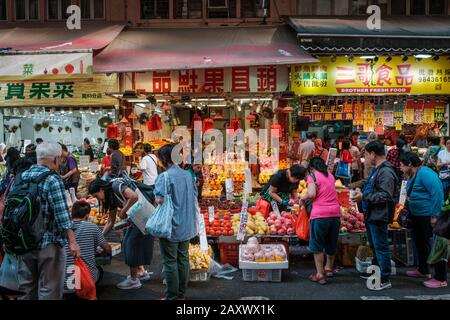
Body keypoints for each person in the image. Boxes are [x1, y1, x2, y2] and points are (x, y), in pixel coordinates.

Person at [14, 142, 80, 299]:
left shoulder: (20, 178)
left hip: (22, 243)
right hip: (48, 243)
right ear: (56, 159)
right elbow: (62, 215)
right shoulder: (53, 180)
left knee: (26, 289)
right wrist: (72, 241)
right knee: (49, 289)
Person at [89, 177, 153, 290]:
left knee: (130, 244)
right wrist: (99, 238)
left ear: (101, 189)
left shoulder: (115, 186)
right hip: (136, 217)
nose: (97, 199)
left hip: (141, 216)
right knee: (129, 243)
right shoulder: (111, 198)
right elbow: (110, 222)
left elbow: (134, 196)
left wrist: (123, 211)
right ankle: (141, 272)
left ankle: (134, 280)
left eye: (96, 196)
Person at [351, 141, 398, 291]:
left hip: (379, 214)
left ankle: (384, 278)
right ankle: (376, 271)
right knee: (375, 245)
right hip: (372, 213)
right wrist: (357, 187)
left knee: (381, 246)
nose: (366, 157)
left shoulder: (386, 172)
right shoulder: (377, 169)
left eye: (366, 154)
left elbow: (385, 195)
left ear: (373, 154)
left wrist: (364, 196)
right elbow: (368, 182)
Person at [153, 144, 198, 300]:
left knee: (170, 261)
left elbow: (159, 200)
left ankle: (172, 297)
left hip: (170, 225)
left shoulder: (164, 177)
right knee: (183, 258)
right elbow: (194, 196)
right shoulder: (188, 175)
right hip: (187, 224)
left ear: (165, 159)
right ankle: (181, 295)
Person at [399, 152, 445, 287]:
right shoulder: (414, 174)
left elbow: (437, 193)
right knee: (420, 243)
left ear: (410, 164)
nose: (400, 167)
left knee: (434, 245)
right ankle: (423, 269)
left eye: (402, 164)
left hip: (428, 216)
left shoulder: (426, 173)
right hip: (417, 215)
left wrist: (435, 215)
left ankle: (440, 278)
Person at [300, 157, 341, 285]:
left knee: (317, 245)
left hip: (320, 215)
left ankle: (320, 274)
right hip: (335, 213)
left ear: (312, 167)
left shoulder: (313, 176)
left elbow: (311, 194)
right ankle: (328, 268)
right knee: (331, 242)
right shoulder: (330, 175)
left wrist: (302, 197)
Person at [64, 200, 111, 296]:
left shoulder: (63, 229)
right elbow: (107, 248)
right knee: (97, 270)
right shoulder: (92, 227)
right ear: (86, 216)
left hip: (63, 283)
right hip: (87, 280)